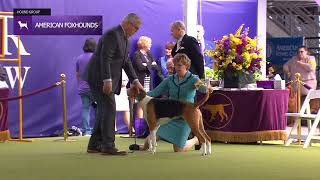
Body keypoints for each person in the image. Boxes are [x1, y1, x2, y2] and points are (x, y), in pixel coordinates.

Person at [83, 13, 144, 156]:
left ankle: (94, 145)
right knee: (109, 108)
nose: (136, 31)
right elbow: (105, 58)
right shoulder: (113, 34)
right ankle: (108, 146)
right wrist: (107, 80)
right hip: (99, 78)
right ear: (128, 24)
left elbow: (126, 62)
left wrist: (135, 80)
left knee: (104, 109)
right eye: (135, 28)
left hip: (103, 78)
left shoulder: (126, 40)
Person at [130, 53, 212, 152]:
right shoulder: (170, 79)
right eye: (175, 65)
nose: (177, 68)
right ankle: (144, 147)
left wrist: (208, 88)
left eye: (179, 65)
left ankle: (195, 140)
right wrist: (141, 94)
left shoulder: (193, 79)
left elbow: (203, 90)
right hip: (170, 113)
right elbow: (155, 92)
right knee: (148, 141)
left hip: (187, 112)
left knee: (178, 149)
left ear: (186, 65)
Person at [133, 36, 162, 122]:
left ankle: (146, 124)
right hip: (140, 82)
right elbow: (140, 67)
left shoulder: (149, 54)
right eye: (149, 43)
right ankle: (139, 126)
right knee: (140, 104)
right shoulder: (137, 54)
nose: (151, 45)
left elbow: (156, 67)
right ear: (144, 44)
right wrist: (150, 64)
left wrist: (146, 64)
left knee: (147, 103)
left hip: (148, 82)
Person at [75, 38, 96, 136]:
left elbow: (78, 75)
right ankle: (98, 130)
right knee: (100, 109)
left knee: (85, 108)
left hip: (83, 88)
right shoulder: (96, 57)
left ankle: (86, 131)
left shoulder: (79, 58)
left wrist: (80, 85)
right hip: (95, 88)